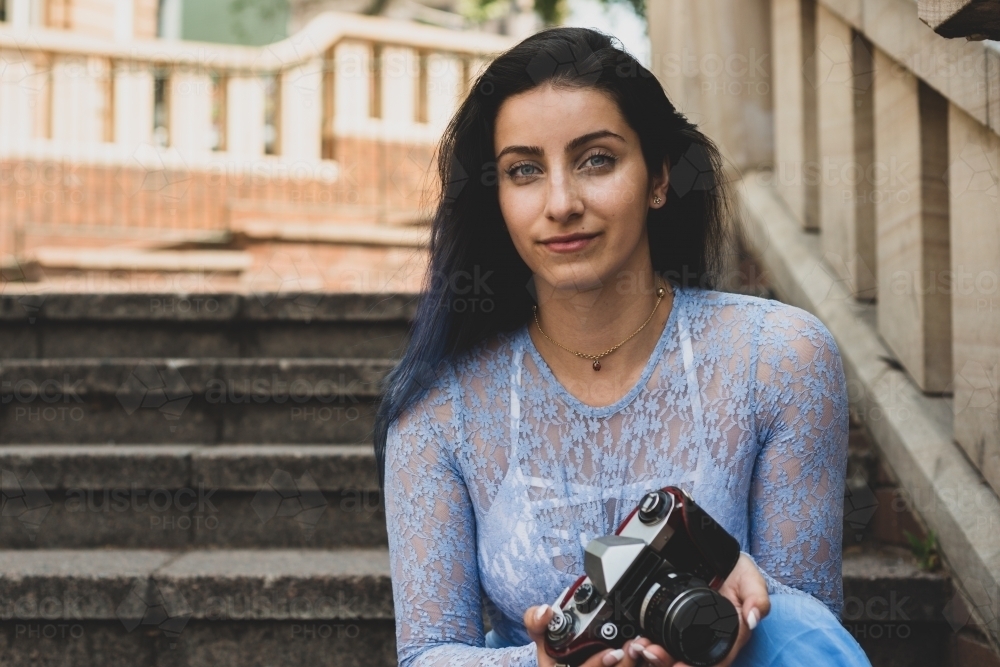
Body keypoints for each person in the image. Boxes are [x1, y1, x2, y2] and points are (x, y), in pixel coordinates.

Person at [373, 26, 872, 667]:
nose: (561, 203)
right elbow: (427, 654)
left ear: (658, 176)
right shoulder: (438, 408)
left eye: (596, 160)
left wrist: (745, 608)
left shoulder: (777, 358)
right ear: (495, 196)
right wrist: (543, 662)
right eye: (524, 170)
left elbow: (810, 632)